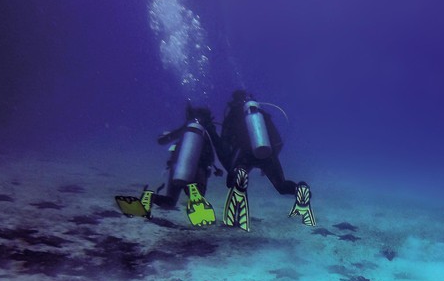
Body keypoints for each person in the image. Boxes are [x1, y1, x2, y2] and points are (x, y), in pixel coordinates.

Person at [116, 89, 315, 230]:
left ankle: (153, 198)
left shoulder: (202, 125)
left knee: (234, 183)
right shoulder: (262, 115)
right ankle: (300, 189)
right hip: (267, 154)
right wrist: (269, 158)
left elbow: (222, 147)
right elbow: (277, 139)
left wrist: (230, 168)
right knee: (281, 186)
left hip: (239, 156)